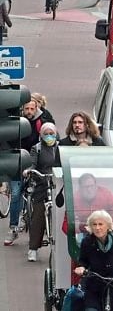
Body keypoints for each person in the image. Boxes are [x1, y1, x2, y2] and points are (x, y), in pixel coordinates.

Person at [5, 96, 54, 246]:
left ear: (37, 108)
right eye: (26, 109)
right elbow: (7, 140)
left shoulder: (43, 120)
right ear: (22, 109)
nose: (29, 111)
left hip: (35, 162)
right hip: (18, 163)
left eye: (32, 108)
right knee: (15, 194)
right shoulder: (15, 123)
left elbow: (51, 135)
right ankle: (14, 228)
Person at [24, 122, 61, 262]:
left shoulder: (60, 147)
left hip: (58, 185)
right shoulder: (37, 148)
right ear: (41, 135)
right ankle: (33, 248)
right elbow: (32, 164)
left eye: (52, 133)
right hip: (42, 185)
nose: (49, 136)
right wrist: (29, 170)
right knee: (38, 215)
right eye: (46, 133)